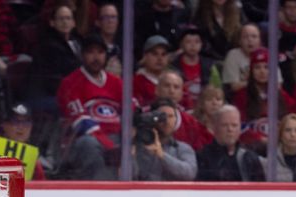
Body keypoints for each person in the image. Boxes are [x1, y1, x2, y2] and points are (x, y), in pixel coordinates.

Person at [56, 33, 125, 180]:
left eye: (100, 52)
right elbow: (81, 122)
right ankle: (100, 195)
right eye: (91, 52)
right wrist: (109, 145)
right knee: (89, 144)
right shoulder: (70, 83)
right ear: (82, 55)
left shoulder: (116, 82)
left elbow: (131, 111)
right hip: (83, 139)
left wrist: (130, 134)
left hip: (116, 137)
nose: (96, 57)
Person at [196, 105, 265, 181]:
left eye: (234, 125)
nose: (230, 129)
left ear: (239, 128)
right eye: (225, 125)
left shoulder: (249, 158)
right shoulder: (202, 157)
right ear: (214, 127)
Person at [134, 98, 197, 181]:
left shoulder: (183, 148)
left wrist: (162, 155)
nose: (167, 121)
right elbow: (130, 175)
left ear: (176, 120)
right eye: (162, 116)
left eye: (171, 116)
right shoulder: (139, 146)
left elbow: (190, 173)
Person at [222, 23, 262, 94]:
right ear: (239, 41)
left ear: (260, 40)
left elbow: (278, 85)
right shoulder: (233, 55)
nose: (250, 40)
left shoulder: (267, 54)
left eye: (254, 36)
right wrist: (260, 83)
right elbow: (234, 86)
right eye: (245, 37)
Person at [133, 35, 171, 108]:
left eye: (163, 54)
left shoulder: (174, 80)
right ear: (145, 56)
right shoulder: (136, 82)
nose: (160, 58)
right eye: (154, 54)